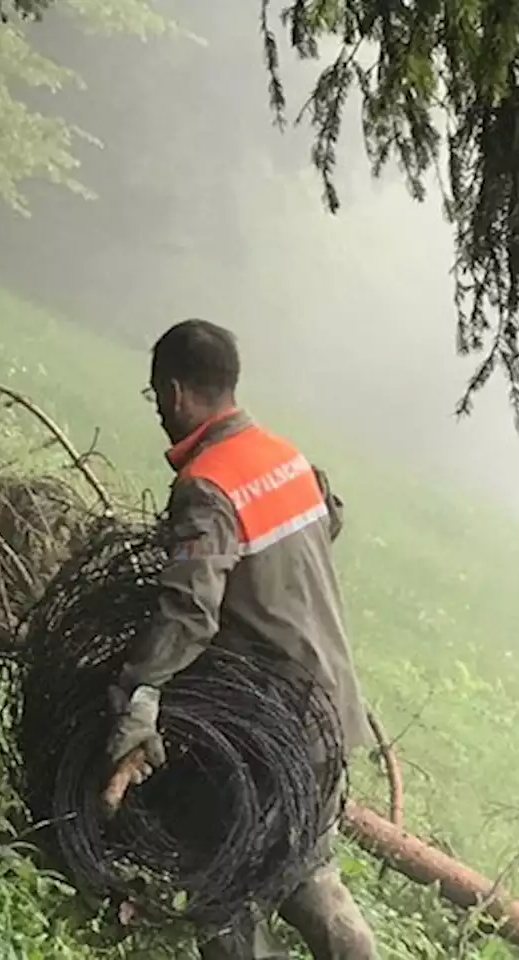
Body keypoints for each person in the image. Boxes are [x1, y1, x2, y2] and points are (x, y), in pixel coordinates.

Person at [105, 319, 379, 959]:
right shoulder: (286, 458)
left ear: (174, 393)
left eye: (156, 400)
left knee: (219, 888)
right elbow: (325, 521)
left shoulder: (208, 485)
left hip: (270, 723)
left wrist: (140, 693)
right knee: (310, 871)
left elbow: (190, 610)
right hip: (331, 712)